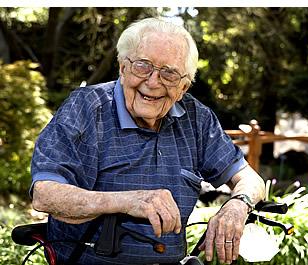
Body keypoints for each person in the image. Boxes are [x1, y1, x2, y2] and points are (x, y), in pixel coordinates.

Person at [30, 17, 265, 265]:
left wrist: (238, 205)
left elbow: (250, 179)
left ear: (183, 86)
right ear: (122, 68)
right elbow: (45, 194)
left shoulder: (196, 118)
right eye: (143, 66)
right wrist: (127, 201)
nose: (153, 82)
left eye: (169, 73)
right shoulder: (85, 108)